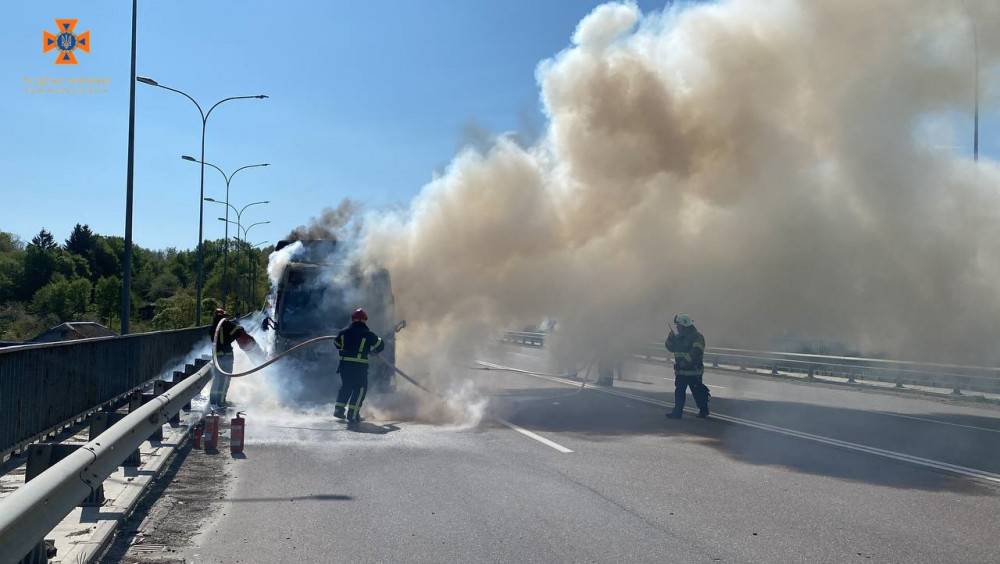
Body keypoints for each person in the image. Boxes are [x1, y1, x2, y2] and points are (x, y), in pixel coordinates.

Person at [333, 308, 385, 424]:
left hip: (344, 367)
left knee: (346, 386)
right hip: (359, 368)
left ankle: (339, 410)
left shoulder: (343, 332)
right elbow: (381, 344)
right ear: (365, 320)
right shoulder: (368, 334)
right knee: (360, 389)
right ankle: (352, 414)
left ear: (353, 320)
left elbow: (336, 343)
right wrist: (374, 351)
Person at [209, 308, 262, 407]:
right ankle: (221, 402)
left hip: (217, 356)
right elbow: (237, 332)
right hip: (226, 356)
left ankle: (213, 401)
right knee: (225, 379)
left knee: (217, 379)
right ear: (223, 317)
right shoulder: (226, 325)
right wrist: (240, 328)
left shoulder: (212, 328)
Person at [665, 313, 710, 419]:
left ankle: (704, 410)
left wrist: (685, 363)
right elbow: (670, 348)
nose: (677, 327)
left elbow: (696, 351)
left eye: (678, 325)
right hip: (681, 372)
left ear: (685, 325)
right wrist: (670, 338)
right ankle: (677, 413)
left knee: (698, 392)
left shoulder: (697, 337)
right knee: (679, 392)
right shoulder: (678, 337)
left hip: (694, 371)